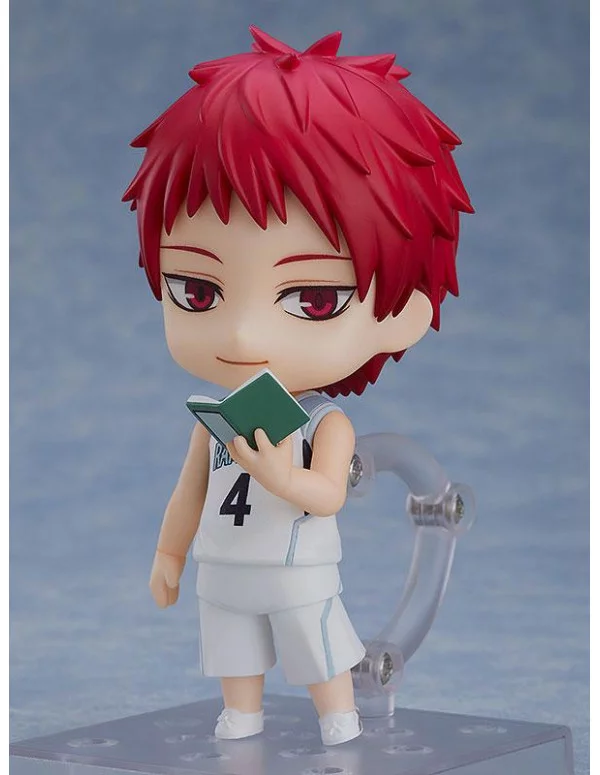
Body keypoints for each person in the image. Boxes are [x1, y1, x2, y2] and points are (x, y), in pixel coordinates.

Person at [123, 25, 472, 746]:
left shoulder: (322, 425)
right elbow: (188, 493)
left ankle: (338, 716)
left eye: (312, 298)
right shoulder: (215, 420)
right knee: (233, 645)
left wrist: (282, 474)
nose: (243, 336)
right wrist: (168, 554)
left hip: (296, 565)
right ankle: (242, 714)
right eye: (197, 290)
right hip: (223, 563)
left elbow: (328, 494)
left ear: (402, 313)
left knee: (316, 637)